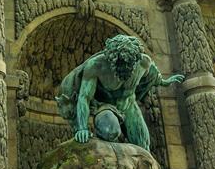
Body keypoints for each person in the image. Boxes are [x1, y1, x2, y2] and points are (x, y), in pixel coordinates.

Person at [56, 35, 184, 151]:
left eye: (129, 64)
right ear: (111, 59)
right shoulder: (96, 66)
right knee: (110, 131)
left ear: (136, 59)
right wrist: (82, 128)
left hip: (129, 105)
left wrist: (164, 82)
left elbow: (153, 75)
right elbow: (84, 97)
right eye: (121, 64)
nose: (125, 68)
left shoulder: (143, 63)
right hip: (105, 107)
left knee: (143, 145)